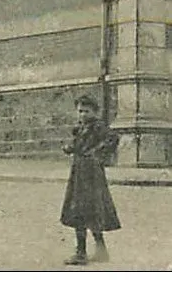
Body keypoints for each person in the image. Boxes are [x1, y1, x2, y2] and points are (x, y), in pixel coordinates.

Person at [60, 94, 120, 265]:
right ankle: (101, 251)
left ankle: (81, 253)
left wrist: (97, 154)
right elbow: (78, 145)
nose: (82, 115)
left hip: (91, 175)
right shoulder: (81, 128)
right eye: (80, 111)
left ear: (95, 112)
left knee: (83, 211)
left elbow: (113, 139)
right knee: (86, 211)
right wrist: (70, 148)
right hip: (79, 173)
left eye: (86, 111)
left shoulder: (98, 127)